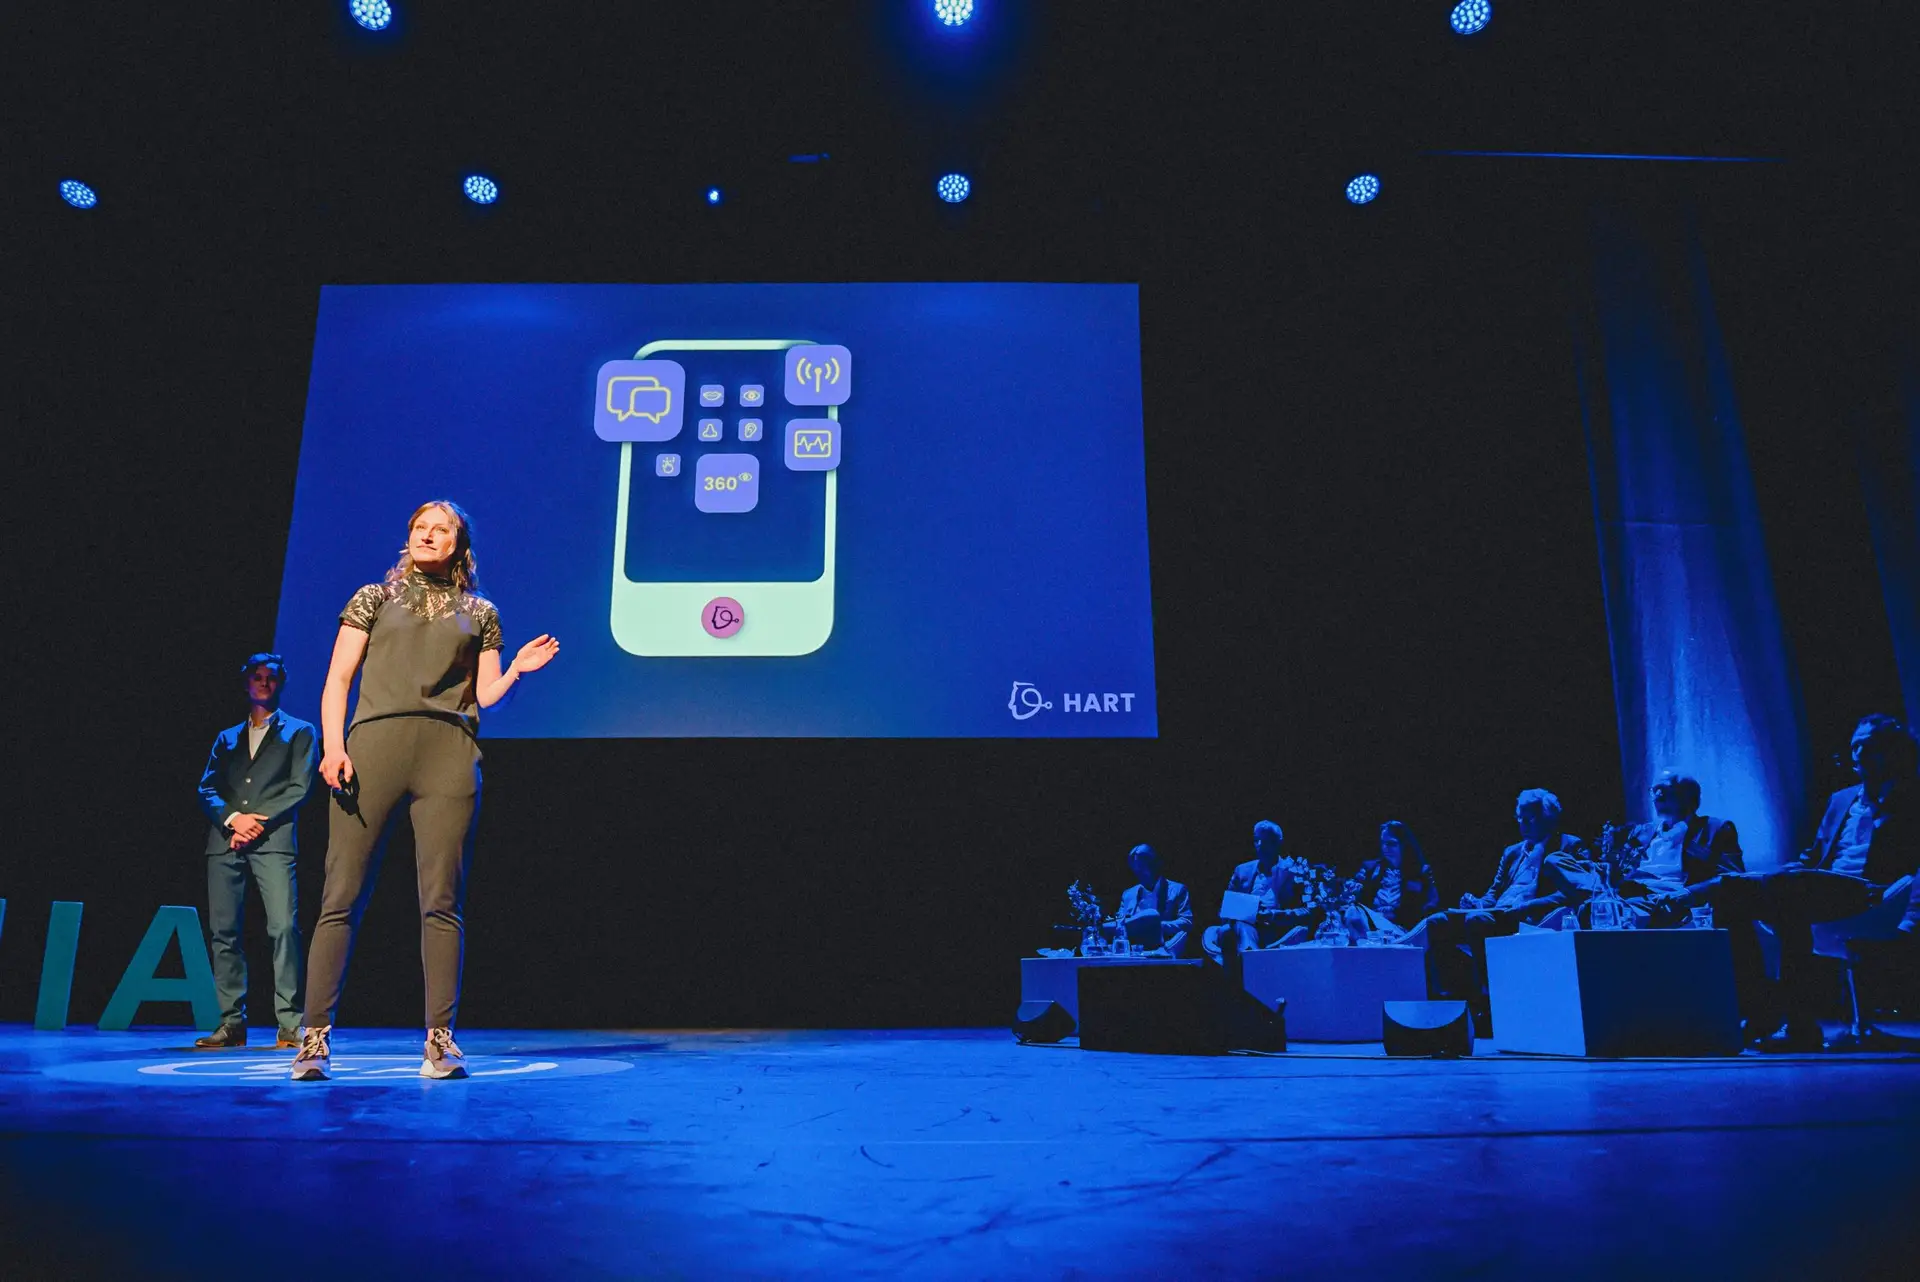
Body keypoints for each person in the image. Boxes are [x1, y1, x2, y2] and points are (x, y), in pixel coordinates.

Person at [291, 501, 559, 1082]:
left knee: (441, 900)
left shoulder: (480, 612)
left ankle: (440, 1040)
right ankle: (313, 1039)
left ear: (459, 545)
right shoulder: (374, 598)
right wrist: (333, 748)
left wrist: (516, 671)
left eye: (441, 530)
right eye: (420, 528)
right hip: (372, 750)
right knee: (341, 895)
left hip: (447, 755)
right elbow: (338, 679)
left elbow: (486, 697)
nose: (428, 536)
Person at [1652, 715, 1920, 1051]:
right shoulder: (1842, 799)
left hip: (1876, 895)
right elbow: (1814, 856)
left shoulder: (1911, 799)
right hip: (1824, 889)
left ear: (1894, 752)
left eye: (1870, 746)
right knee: (1743, 904)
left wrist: (1911, 917)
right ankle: (1769, 1012)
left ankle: (1691, 896)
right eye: (1855, 746)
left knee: (1777, 892)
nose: (1859, 753)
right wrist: (1793, 870)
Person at [193, 653, 317, 1050]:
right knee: (224, 932)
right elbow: (207, 787)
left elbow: (299, 787)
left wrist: (255, 822)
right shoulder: (227, 737)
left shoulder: (301, 732)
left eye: (272, 677)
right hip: (225, 841)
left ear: (281, 683)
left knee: (283, 928)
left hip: (273, 842)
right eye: (258, 677)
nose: (264, 683)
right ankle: (231, 1023)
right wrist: (233, 820)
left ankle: (290, 1024)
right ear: (246, 683)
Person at [1411, 789, 1591, 1025]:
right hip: (1500, 912)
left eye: (1529, 819)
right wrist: (1477, 903)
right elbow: (1494, 894)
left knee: (1477, 921)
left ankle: (1488, 1003)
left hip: (1532, 917)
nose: (1522, 825)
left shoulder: (1569, 845)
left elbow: (1575, 891)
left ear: (1547, 818)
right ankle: (1450, 1003)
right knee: (1438, 922)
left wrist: (1527, 906)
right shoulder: (1512, 852)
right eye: (1519, 818)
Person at [1202, 820, 1313, 961]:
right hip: (1242, 927)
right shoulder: (1242, 870)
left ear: (1278, 843)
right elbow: (1225, 910)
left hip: (1276, 929)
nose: (1260, 845)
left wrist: (1272, 915)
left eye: (1266, 841)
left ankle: (1248, 962)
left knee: (1237, 931)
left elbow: (1308, 912)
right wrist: (1243, 912)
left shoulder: (1294, 871)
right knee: (1234, 928)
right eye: (1256, 840)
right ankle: (1252, 959)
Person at [1342, 820, 1441, 937]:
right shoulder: (1371, 869)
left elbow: (1432, 904)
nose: (1385, 848)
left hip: (1406, 930)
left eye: (1391, 844)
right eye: (1383, 843)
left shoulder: (1421, 872)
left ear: (1404, 845)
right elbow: (1356, 896)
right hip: (1371, 928)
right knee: (1352, 912)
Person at [1116, 844, 1194, 957]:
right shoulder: (1128, 894)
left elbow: (1187, 922)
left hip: (1166, 950)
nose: (1139, 873)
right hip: (1134, 953)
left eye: (1143, 868)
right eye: (1136, 869)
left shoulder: (1177, 890)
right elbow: (1120, 923)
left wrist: (1156, 926)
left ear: (1155, 864)